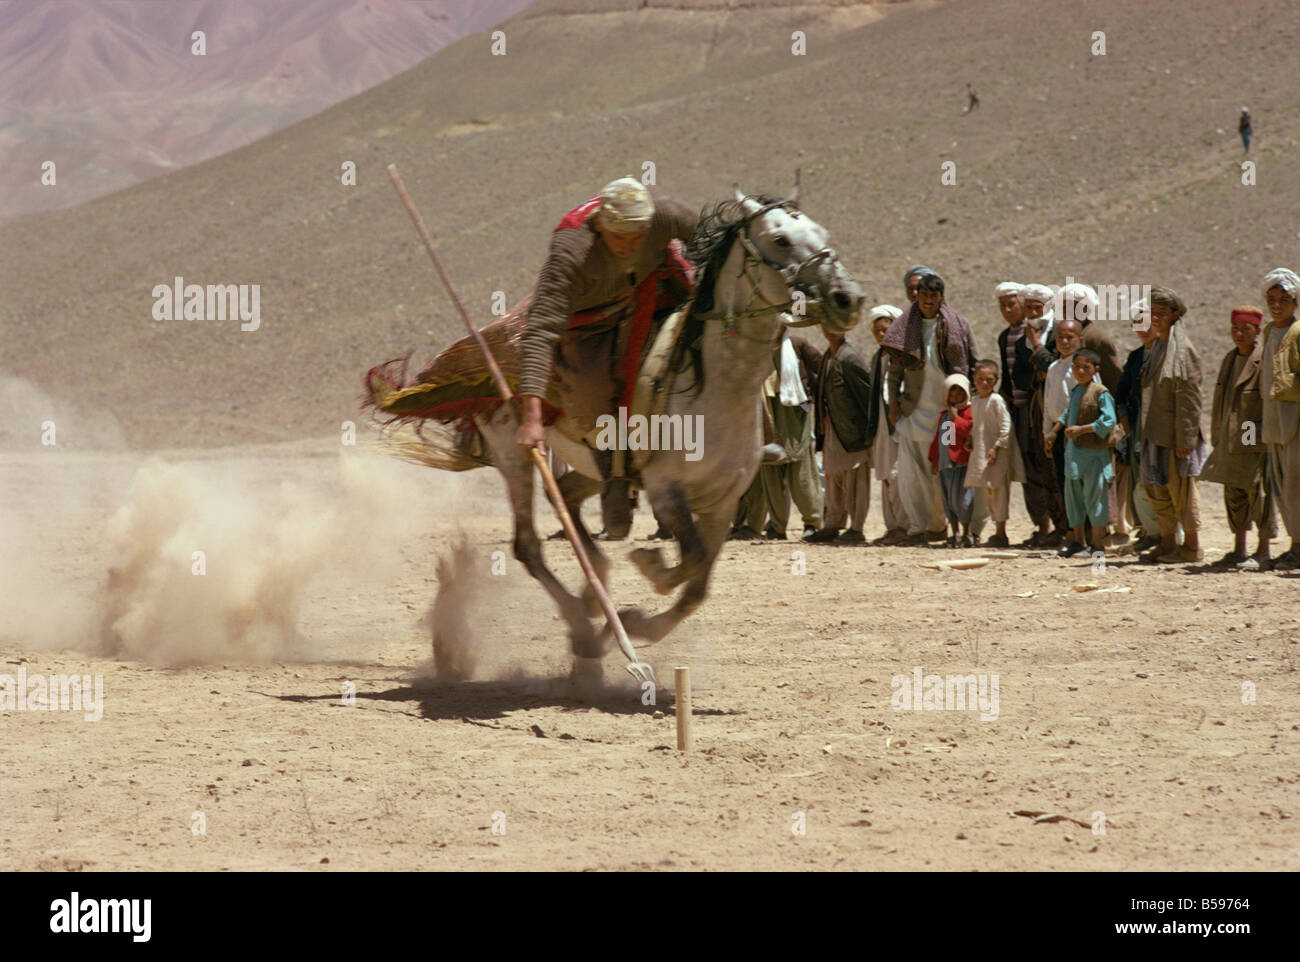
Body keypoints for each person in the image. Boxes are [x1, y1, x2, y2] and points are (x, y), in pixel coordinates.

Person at [514, 177, 698, 535]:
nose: (629, 245)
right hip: (590, 322)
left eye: (637, 237)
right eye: (619, 237)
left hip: (655, 289)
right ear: (599, 226)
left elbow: (713, 238)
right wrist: (532, 418)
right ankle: (615, 471)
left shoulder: (666, 215)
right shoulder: (571, 250)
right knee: (591, 393)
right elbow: (540, 332)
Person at [882, 270, 983, 543]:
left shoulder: (957, 324)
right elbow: (895, 369)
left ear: (941, 297)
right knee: (914, 474)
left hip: (948, 413)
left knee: (947, 467)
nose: (928, 301)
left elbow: (972, 361)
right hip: (915, 409)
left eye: (933, 296)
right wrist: (893, 402)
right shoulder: (905, 326)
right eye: (923, 295)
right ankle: (919, 527)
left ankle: (947, 527)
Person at [1201, 306, 1277, 569]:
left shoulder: (1264, 361)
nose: (1239, 333)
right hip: (1229, 436)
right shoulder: (1229, 359)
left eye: (1245, 329)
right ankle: (1239, 548)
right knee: (1234, 492)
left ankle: (1263, 550)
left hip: (1251, 436)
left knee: (1258, 492)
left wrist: (1258, 436)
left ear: (1257, 331)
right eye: (1235, 328)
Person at [731, 329, 824, 541]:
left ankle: (812, 522)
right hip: (766, 412)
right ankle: (777, 526)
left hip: (793, 413)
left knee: (801, 470)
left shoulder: (797, 344)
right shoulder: (755, 348)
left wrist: (811, 397)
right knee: (769, 472)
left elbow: (823, 368)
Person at [1139, 287, 1206, 563]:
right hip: (1155, 431)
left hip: (1175, 435)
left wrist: (1185, 439)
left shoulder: (1182, 349)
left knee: (1182, 492)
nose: (1155, 318)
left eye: (1162, 313)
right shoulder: (1159, 346)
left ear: (1175, 315)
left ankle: (1191, 547)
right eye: (1152, 313)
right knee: (1159, 490)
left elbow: (1190, 398)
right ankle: (1168, 543)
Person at [808, 318, 877, 544]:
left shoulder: (850, 358)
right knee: (833, 476)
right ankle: (833, 524)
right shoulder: (828, 356)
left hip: (852, 432)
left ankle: (856, 529)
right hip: (832, 429)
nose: (830, 330)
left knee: (855, 479)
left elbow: (866, 397)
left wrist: (867, 431)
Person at [1013, 283, 1066, 545]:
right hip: (1036, 404)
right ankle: (1053, 526)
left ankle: (1071, 527)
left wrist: (1037, 347)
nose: (1033, 312)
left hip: (1058, 406)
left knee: (1059, 464)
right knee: (1040, 464)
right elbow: (1020, 377)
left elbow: (1055, 367)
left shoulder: (1060, 332)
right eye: (1029, 307)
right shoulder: (1021, 337)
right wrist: (1040, 369)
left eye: (1038, 307)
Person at [1054, 348, 1118, 558]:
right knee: (1074, 497)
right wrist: (1054, 432)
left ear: (1095, 369)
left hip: (1094, 454)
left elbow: (1109, 420)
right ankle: (1078, 541)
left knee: (1095, 496)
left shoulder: (1100, 392)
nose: (1080, 371)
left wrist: (1083, 430)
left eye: (1086, 367)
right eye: (1077, 366)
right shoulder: (1076, 391)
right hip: (1074, 454)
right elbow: (1067, 414)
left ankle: (1098, 545)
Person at [1114, 300, 1162, 550]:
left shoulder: (1165, 353)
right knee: (1137, 479)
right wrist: (1124, 419)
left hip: (1160, 428)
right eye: (1137, 323)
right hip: (1136, 428)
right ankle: (1145, 530)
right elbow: (1121, 392)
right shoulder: (1135, 357)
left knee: (1159, 478)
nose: (1142, 328)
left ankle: (1164, 532)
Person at [1260, 267, 1300, 570]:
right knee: (1282, 484)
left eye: (1283, 299)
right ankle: (1295, 544)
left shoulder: (1297, 333)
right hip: (1274, 421)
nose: (1276, 305)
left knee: (1295, 485)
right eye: (1271, 299)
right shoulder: (1268, 332)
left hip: (1295, 420)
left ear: (1295, 302)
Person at [966, 359, 1025, 548]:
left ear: (996, 380)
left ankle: (1001, 533)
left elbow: (1006, 427)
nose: (984, 383)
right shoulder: (974, 401)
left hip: (997, 454)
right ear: (974, 380)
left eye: (989, 379)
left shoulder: (997, 400)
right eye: (980, 379)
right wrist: (969, 438)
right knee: (989, 492)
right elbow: (976, 425)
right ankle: (994, 532)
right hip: (982, 452)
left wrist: (996, 448)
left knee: (1000, 491)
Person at [866, 305, 908, 544]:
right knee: (884, 473)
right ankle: (892, 526)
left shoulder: (901, 355)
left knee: (897, 474)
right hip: (881, 425)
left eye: (886, 329)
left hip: (899, 424)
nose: (882, 335)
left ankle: (903, 526)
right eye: (877, 331)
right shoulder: (877, 358)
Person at [929, 374, 975, 547]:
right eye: (952, 392)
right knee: (948, 499)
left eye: (960, 392)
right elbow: (942, 439)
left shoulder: (968, 413)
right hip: (945, 464)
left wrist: (956, 418)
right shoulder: (944, 415)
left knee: (963, 499)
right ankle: (954, 532)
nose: (956, 396)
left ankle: (967, 533)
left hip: (962, 463)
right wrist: (935, 458)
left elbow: (968, 432)